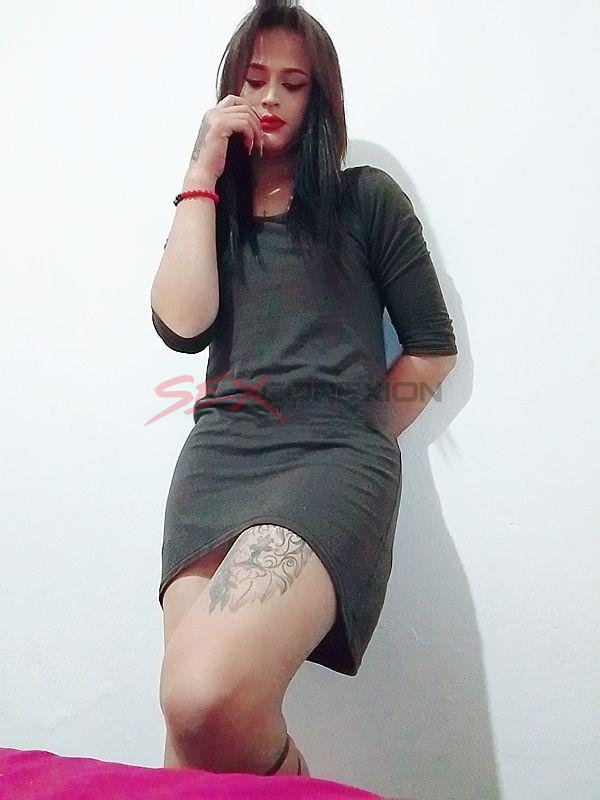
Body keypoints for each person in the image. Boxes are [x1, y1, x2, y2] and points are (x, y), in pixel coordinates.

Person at [150, 0, 458, 780]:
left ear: (320, 99)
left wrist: (356, 431)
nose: (271, 98)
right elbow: (181, 325)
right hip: (217, 463)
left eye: (294, 84)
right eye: (255, 79)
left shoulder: (365, 200)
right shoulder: (212, 213)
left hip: (329, 459)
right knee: (189, 740)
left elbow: (431, 349)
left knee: (201, 694)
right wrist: (199, 175)